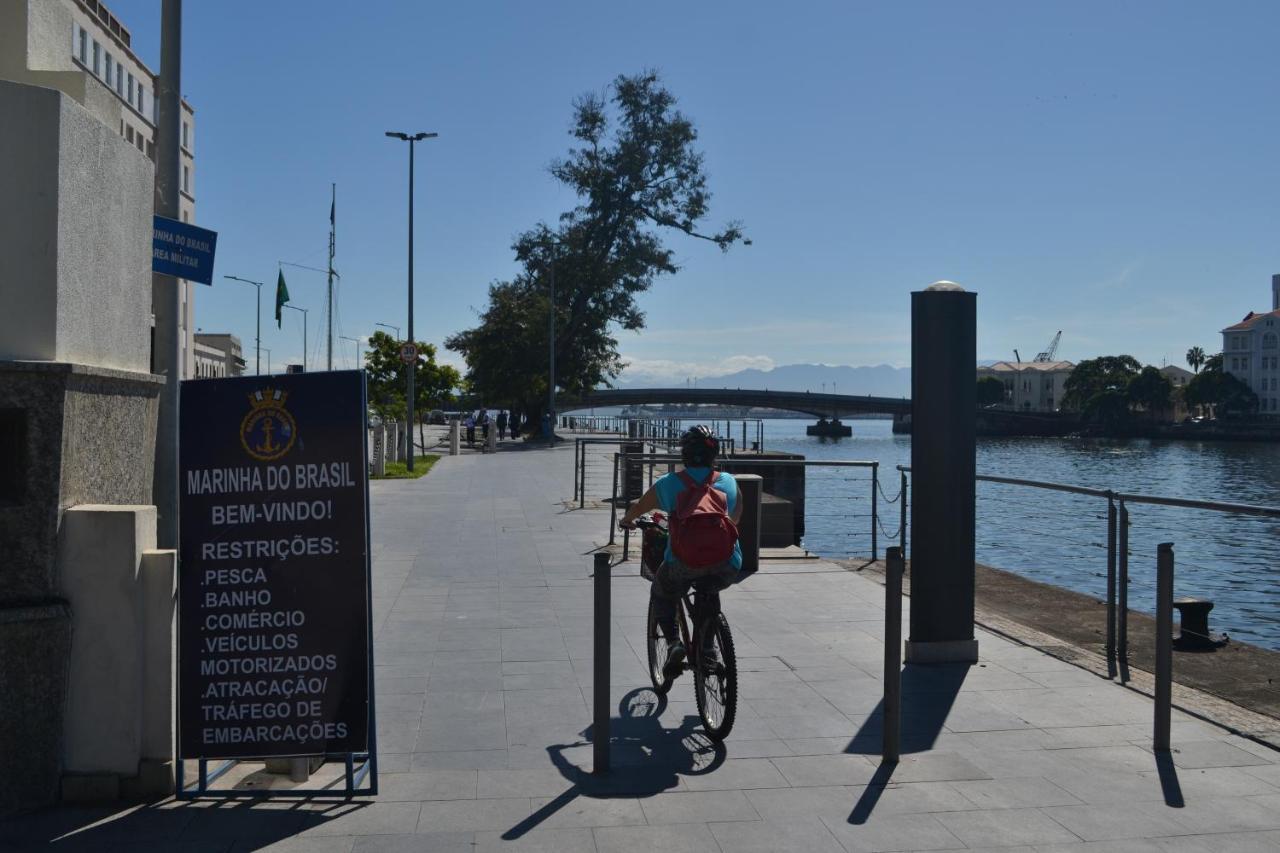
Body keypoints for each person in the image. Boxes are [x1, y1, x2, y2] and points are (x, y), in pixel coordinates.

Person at [620, 425, 742, 676]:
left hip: (683, 562)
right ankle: (708, 651)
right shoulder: (728, 481)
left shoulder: (669, 483)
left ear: (684, 454)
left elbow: (639, 507)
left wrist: (627, 520)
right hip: (727, 562)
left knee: (662, 591)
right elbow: (736, 517)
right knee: (710, 587)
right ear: (714, 454)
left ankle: (675, 643)